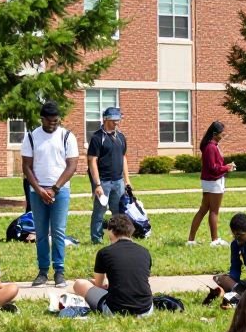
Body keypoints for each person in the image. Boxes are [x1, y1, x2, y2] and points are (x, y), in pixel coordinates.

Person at [21, 100, 79, 287]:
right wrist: (39, 190)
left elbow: (72, 165)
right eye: (49, 121)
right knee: (40, 232)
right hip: (37, 191)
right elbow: (26, 166)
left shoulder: (67, 136)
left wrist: (54, 189)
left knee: (58, 231)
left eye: (56, 120)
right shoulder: (31, 137)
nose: (53, 124)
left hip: (60, 191)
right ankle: (43, 271)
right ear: (42, 119)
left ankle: (59, 272)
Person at [71, 215, 154, 316]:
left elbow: (98, 285)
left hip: (115, 309)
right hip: (146, 309)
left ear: (111, 231)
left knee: (80, 283)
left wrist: (93, 282)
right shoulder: (145, 252)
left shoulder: (104, 252)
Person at [188, 121, 236, 247]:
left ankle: (191, 240)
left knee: (203, 210)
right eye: (221, 133)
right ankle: (215, 240)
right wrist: (227, 168)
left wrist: (225, 167)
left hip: (210, 181)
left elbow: (214, 166)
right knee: (213, 211)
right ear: (215, 134)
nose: (223, 135)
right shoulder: (211, 147)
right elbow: (213, 168)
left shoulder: (212, 146)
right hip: (213, 182)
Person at [87, 106, 130, 245]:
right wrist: (97, 184)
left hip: (118, 182)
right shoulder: (97, 137)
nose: (116, 123)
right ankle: (96, 239)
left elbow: (123, 158)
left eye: (118, 120)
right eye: (113, 120)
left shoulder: (121, 137)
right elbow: (92, 161)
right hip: (103, 182)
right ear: (105, 119)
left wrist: (127, 180)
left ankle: (119, 238)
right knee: (99, 212)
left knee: (118, 213)